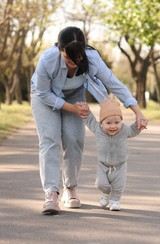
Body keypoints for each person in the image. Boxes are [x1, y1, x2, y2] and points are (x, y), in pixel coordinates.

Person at [30, 26, 148, 215]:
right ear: (60, 49)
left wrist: (138, 112)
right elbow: (43, 92)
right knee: (50, 140)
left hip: (75, 94)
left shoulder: (92, 58)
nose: (73, 64)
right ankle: (51, 194)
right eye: (68, 58)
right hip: (45, 96)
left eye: (77, 59)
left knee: (74, 139)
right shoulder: (48, 59)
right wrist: (71, 108)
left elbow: (114, 84)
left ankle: (70, 189)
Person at [82, 99, 147, 211]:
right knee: (101, 184)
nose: (113, 126)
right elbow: (90, 120)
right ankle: (105, 193)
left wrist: (139, 125)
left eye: (117, 123)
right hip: (103, 165)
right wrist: (86, 111)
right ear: (101, 123)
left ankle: (114, 201)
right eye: (108, 123)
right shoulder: (97, 129)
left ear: (121, 122)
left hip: (120, 166)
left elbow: (133, 130)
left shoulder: (124, 130)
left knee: (118, 187)